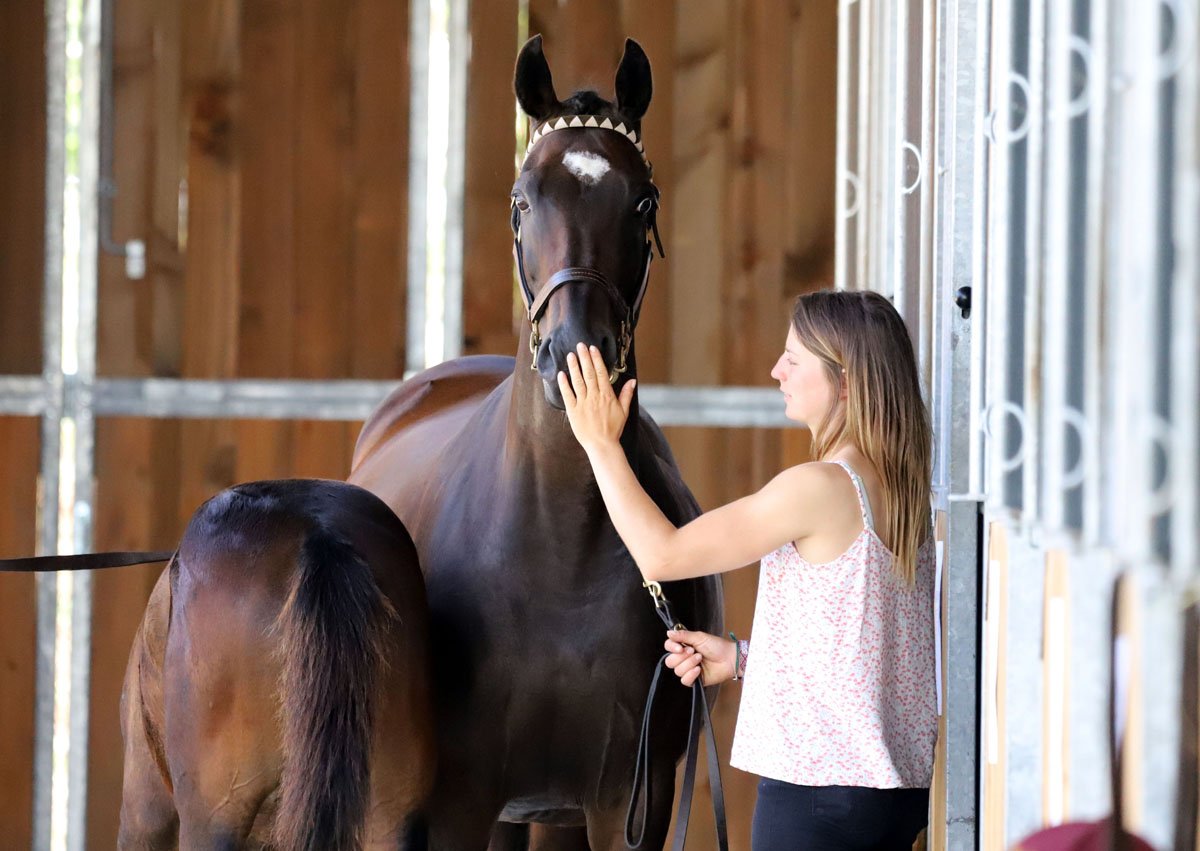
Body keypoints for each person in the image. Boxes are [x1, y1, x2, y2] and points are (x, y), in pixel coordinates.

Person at [557, 289, 937, 851]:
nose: (777, 370)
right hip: (887, 801)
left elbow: (663, 554)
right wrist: (741, 660)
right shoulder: (899, 489)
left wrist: (599, 444)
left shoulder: (819, 487)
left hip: (816, 802)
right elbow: (861, 654)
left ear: (846, 383)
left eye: (794, 359)